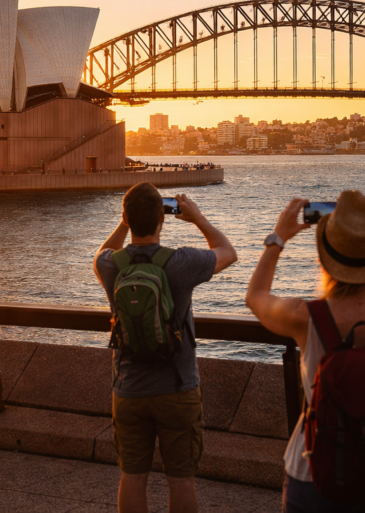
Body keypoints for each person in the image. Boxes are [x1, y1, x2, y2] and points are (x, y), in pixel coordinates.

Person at [245, 192, 365, 513]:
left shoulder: (304, 317)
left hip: (315, 474)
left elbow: (255, 295)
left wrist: (278, 238)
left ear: (324, 258)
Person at [93, 183, 237, 513]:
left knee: (131, 476)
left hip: (128, 388)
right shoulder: (180, 261)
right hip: (177, 386)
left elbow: (99, 256)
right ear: (163, 218)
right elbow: (228, 252)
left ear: (127, 217)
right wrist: (198, 218)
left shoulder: (110, 265)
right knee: (181, 479)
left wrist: (123, 223)